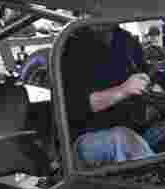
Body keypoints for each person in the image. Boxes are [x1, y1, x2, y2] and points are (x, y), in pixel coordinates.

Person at [64, 25, 156, 167]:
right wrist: (123, 90)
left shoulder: (126, 40)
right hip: (85, 138)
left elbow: (144, 77)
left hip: (134, 127)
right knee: (122, 138)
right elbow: (75, 106)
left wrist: (159, 96)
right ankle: (157, 180)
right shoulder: (70, 46)